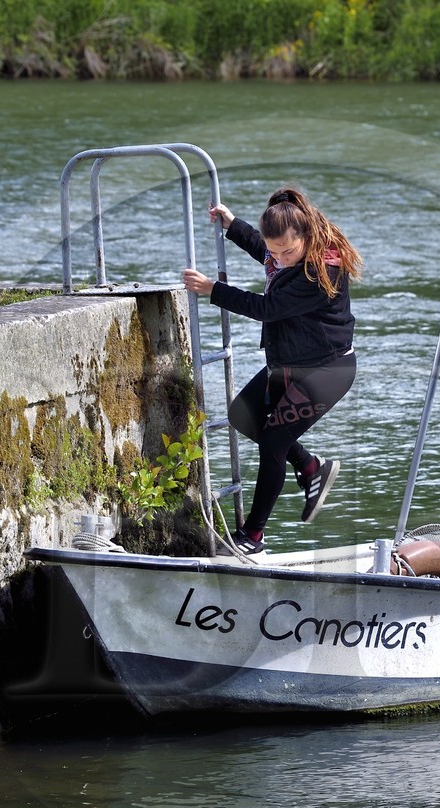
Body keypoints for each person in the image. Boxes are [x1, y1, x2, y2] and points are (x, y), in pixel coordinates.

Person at [181, 187, 362, 555]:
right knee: (243, 416)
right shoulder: (286, 252)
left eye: (287, 252)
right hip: (289, 365)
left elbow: (267, 308)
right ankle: (310, 467)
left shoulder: (319, 271)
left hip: (326, 370)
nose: (278, 259)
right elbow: (265, 251)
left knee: (273, 442)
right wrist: (233, 226)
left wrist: (213, 289)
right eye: (274, 251)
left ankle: (252, 536)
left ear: (306, 237)